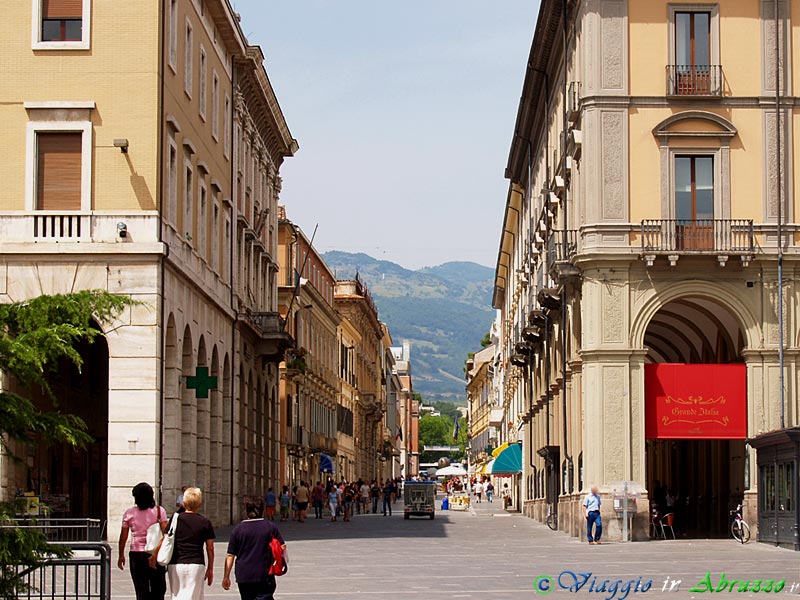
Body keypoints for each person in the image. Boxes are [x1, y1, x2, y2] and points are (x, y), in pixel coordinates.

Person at [222, 497, 285, 600]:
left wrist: (226, 576)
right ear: (262, 510)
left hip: (244, 575)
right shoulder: (270, 527)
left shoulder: (238, 530)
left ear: (246, 510)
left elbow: (230, 555)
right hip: (264, 573)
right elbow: (282, 546)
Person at [118, 482, 168, 600]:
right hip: (155, 553)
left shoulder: (129, 513)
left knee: (141, 589)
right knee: (158, 589)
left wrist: (121, 555)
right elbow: (165, 534)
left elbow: (123, 536)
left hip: (137, 554)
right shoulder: (160, 511)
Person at [168, 487, 215, 599]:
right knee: (194, 595)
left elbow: (166, 538)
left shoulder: (175, 519)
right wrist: (210, 568)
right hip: (196, 563)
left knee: (177, 595)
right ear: (199, 503)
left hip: (176, 563)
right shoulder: (205, 522)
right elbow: (210, 547)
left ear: (184, 502)